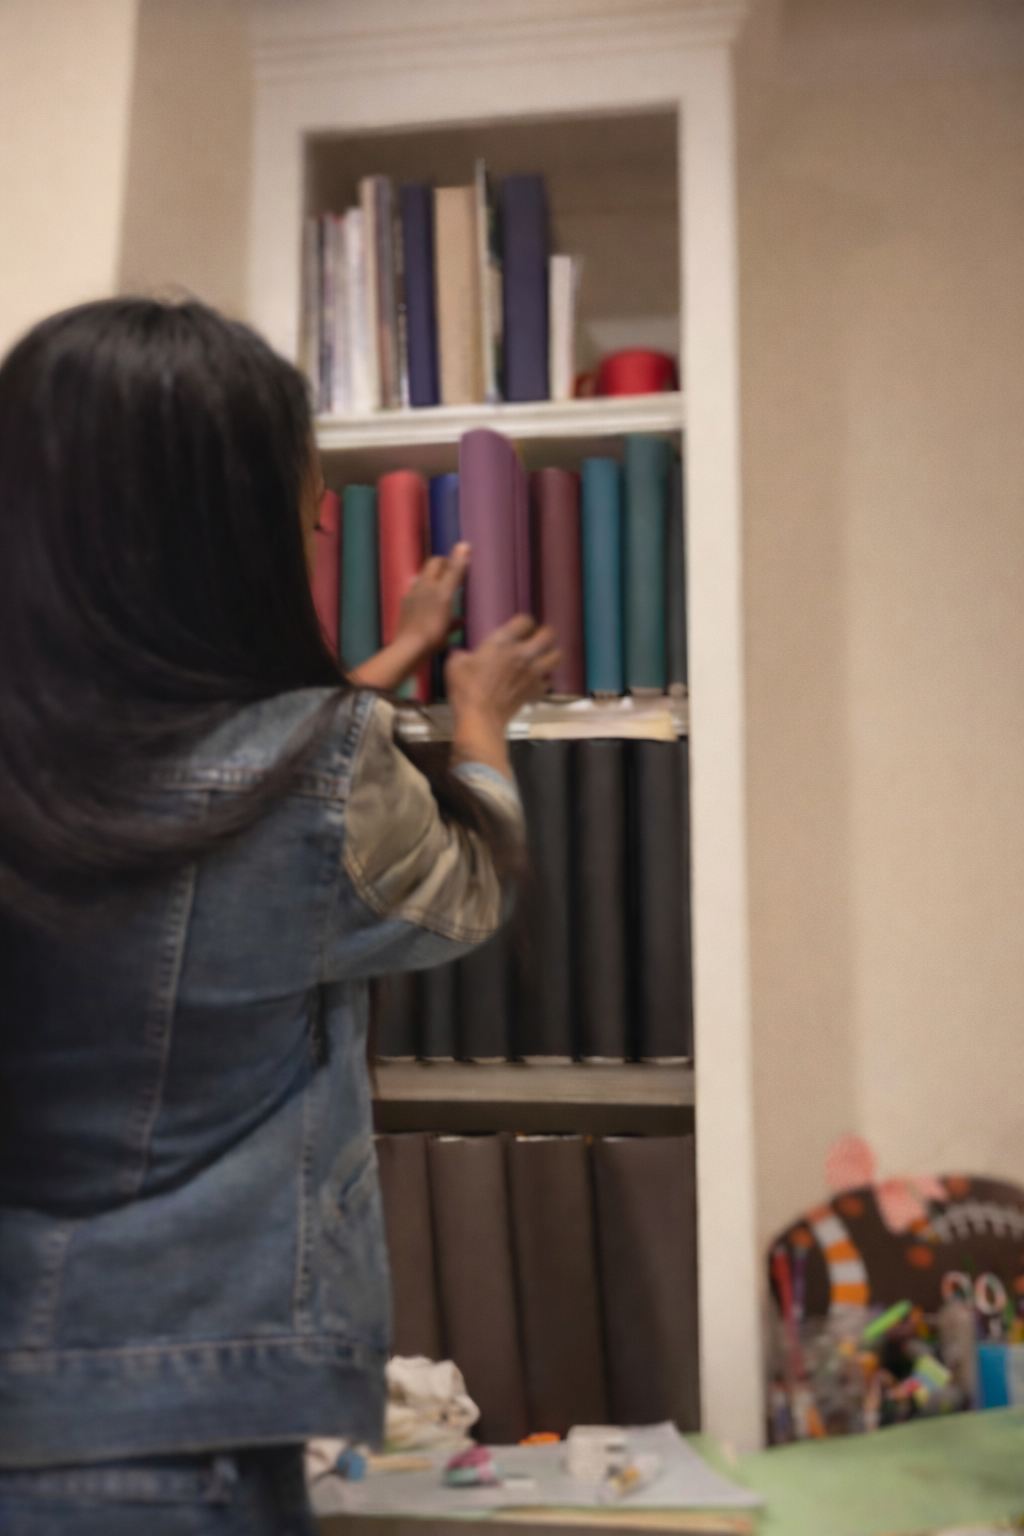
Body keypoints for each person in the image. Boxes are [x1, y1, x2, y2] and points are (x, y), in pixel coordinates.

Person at [0, 298, 559, 1535]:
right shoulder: (324, 766)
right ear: (226, 538)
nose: (317, 528)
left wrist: (390, 655)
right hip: (169, 1421)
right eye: (303, 507)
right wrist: (473, 718)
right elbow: (462, 892)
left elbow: (196, 774)